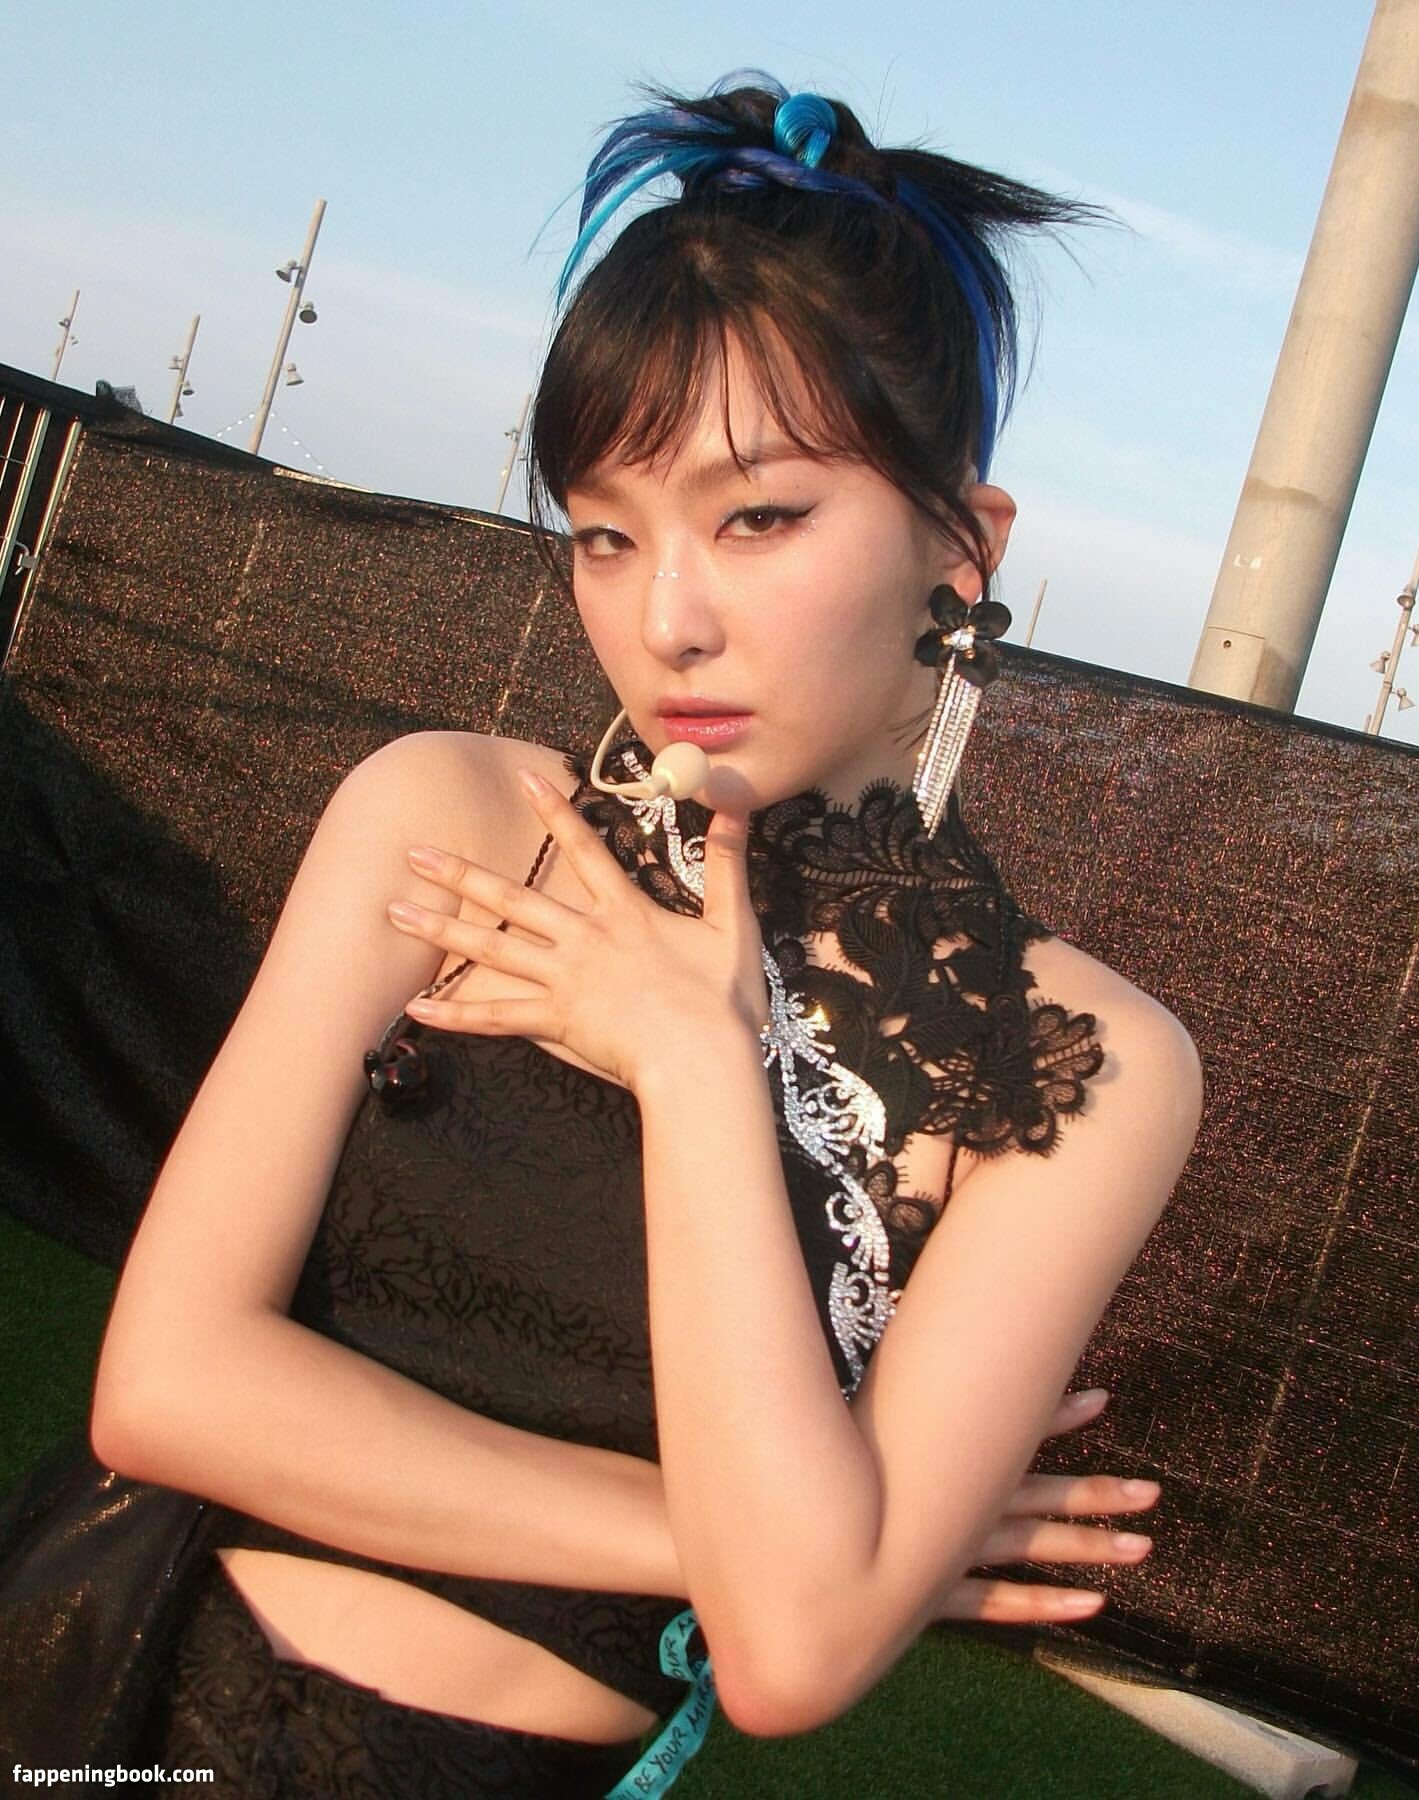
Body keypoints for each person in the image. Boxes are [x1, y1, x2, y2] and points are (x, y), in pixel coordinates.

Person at [83, 73, 1203, 1799]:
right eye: (607, 533)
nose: (665, 615)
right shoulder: (456, 819)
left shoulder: (1086, 1063)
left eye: (759, 517)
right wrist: (795, 1539)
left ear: (961, 548)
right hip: (101, 1697)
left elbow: (789, 1658)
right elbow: (165, 1386)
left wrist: (692, 1059)